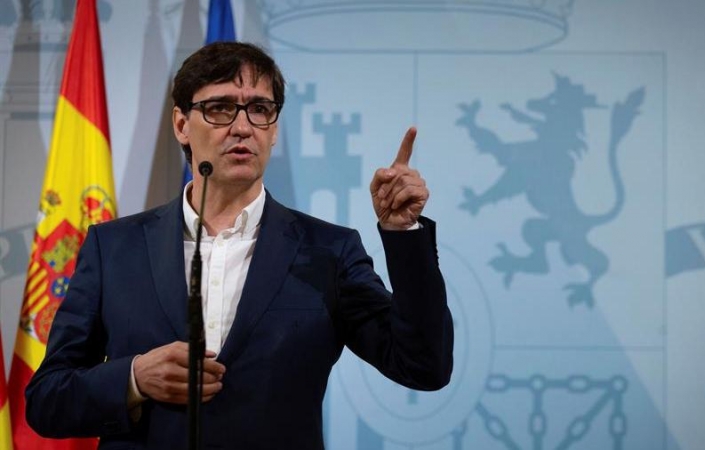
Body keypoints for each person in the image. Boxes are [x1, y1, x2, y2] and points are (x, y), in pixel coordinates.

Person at [25, 41, 454, 449]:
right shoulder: (113, 247)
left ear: (274, 131)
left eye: (259, 109)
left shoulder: (329, 251)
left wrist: (402, 234)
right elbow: (46, 401)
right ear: (181, 125)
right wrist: (134, 379)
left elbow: (423, 366)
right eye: (220, 108)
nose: (243, 126)